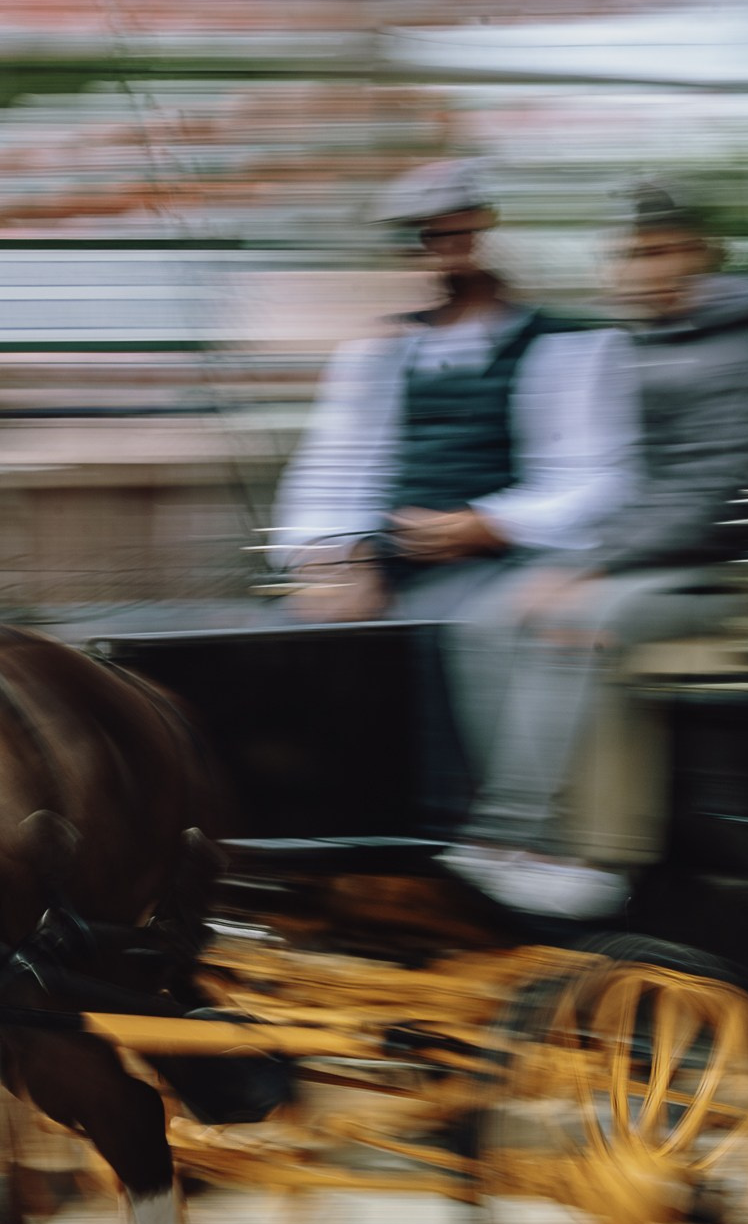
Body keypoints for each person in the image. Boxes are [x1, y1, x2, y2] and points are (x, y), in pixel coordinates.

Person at [436, 182, 748, 918]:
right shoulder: (630, 341)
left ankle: (540, 843)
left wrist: (591, 565)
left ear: (704, 255)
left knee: (574, 622)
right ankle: (502, 838)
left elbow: (717, 487)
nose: (641, 271)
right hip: (650, 554)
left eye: (660, 251)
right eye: (627, 256)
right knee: (481, 623)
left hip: (743, 566)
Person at [270, 159, 637, 849]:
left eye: (462, 231)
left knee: (463, 633)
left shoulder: (572, 345)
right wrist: (336, 558)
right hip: (392, 560)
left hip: (511, 557)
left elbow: (597, 476)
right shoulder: (378, 354)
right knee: (298, 649)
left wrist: (487, 524)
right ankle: (336, 842)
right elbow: (331, 467)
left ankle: (490, 836)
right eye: (430, 236)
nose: (448, 249)